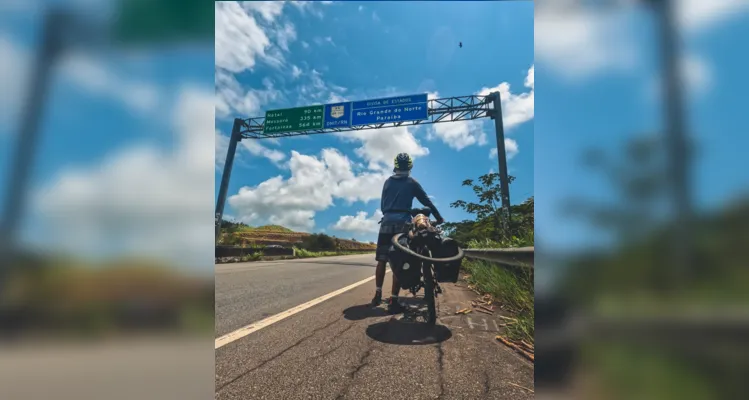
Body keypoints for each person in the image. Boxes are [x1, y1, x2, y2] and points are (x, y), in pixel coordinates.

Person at [372, 152, 444, 313]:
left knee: (382, 260)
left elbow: (383, 203)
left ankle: (377, 294)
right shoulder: (412, 182)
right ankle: (394, 300)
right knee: (398, 260)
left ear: (395, 166)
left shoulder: (387, 182)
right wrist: (439, 217)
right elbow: (427, 201)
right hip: (402, 224)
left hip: (386, 221)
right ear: (410, 167)